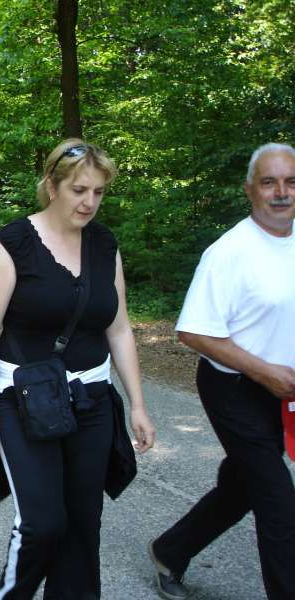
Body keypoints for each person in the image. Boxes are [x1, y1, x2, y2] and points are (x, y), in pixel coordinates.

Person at [0, 139, 155, 599]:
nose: (90, 202)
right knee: (42, 524)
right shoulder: (14, 244)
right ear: (52, 186)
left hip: (91, 403)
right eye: (79, 190)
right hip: (25, 403)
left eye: (99, 192)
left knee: (83, 526)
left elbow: (120, 329)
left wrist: (138, 406)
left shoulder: (105, 245)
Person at [148, 143, 295, 600]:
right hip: (235, 388)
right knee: (279, 503)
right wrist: (262, 371)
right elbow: (193, 332)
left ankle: (171, 549)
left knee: (243, 488)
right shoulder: (229, 252)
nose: (281, 192)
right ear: (249, 189)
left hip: (284, 390)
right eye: (269, 182)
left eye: (290, 182)